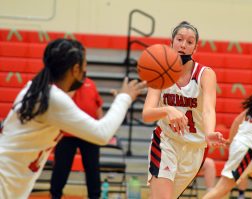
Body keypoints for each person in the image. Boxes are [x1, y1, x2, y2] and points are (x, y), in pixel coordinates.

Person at [0, 38, 146, 199]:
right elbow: (102, 134)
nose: (86, 70)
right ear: (75, 69)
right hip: (5, 180)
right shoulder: (52, 99)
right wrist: (124, 98)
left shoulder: (37, 88)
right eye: (85, 65)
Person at [142, 21, 225, 199]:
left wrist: (210, 132)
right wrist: (166, 110)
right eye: (179, 39)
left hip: (195, 149)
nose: (183, 45)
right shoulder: (159, 72)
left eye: (189, 42)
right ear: (171, 42)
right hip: (166, 142)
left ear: (195, 47)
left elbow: (209, 109)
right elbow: (147, 113)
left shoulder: (205, 74)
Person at [50, 77, 104, 199]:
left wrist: (102, 126)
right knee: (61, 168)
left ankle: (95, 196)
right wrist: (73, 87)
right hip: (67, 133)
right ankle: (55, 195)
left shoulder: (90, 83)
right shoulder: (63, 83)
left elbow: (98, 106)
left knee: (92, 168)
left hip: (89, 133)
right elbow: (60, 104)